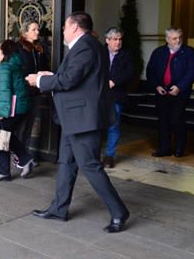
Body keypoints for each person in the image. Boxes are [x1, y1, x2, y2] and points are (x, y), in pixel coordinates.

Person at [25, 12, 129, 233]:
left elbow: (70, 80)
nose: (62, 30)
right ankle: (59, 209)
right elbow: (77, 78)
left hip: (84, 120)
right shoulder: (86, 46)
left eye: (64, 26)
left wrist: (40, 80)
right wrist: (51, 74)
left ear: (74, 28)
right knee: (66, 163)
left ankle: (119, 212)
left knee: (90, 166)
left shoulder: (86, 46)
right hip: (73, 118)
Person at [146, 27, 194, 157]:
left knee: (177, 120)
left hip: (180, 93)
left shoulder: (189, 52)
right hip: (162, 92)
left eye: (180, 37)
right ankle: (164, 149)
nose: (178, 40)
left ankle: (179, 149)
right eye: (175, 38)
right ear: (167, 39)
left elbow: (192, 72)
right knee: (163, 121)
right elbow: (150, 71)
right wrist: (157, 86)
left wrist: (179, 87)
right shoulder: (158, 52)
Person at [0, 39, 30, 181]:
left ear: (5, 53)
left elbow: (5, 90)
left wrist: (0, 112)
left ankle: (6, 169)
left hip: (10, 108)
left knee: (2, 136)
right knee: (6, 136)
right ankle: (21, 161)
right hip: (19, 107)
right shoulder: (14, 65)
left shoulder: (5, 67)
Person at [13, 20, 47, 176]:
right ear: (25, 32)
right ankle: (20, 157)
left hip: (36, 93)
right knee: (20, 127)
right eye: (33, 29)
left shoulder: (39, 49)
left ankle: (25, 156)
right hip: (21, 93)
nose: (37, 32)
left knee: (29, 127)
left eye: (38, 29)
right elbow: (14, 70)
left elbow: (45, 68)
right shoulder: (17, 48)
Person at [103, 27, 135, 168]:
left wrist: (114, 81)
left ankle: (109, 156)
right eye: (115, 39)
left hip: (117, 96)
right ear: (107, 40)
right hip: (99, 96)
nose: (118, 42)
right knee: (95, 125)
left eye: (120, 39)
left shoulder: (126, 55)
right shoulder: (100, 53)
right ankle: (91, 154)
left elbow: (130, 73)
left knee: (113, 126)